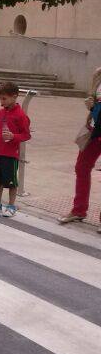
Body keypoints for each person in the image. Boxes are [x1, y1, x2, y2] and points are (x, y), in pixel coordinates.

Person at [60, 67, 101, 231]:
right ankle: (79, 209)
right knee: (82, 167)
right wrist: (94, 81)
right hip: (94, 131)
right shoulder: (99, 79)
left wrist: (93, 107)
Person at [0, 82, 31, 218]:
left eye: (4, 99)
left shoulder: (21, 115)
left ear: (14, 97)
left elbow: (26, 134)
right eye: (0, 98)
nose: (1, 102)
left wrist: (13, 136)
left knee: (11, 181)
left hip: (10, 155)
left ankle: (11, 205)